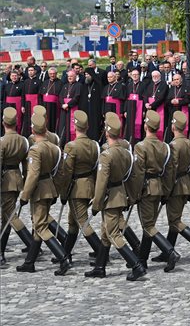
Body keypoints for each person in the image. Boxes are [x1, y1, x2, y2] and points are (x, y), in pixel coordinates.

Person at [84, 114, 146, 281]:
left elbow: (101, 182)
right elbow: (132, 176)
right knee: (106, 233)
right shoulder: (125, 152)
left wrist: (96, 203)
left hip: (110, 198)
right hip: (120, 194)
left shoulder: (107, 155)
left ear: (106, 132)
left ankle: (136, 265)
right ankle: (99, 266)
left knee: (113, 234)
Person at [151, 111, 190, 265]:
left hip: (176, 186)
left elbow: (171, 170)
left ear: (173, 126)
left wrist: (166, 190)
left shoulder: (174, 145)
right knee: (174, 219)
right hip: (186, 185)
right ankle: (167, 250)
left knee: (175, 221)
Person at [16, 113, 70, 276]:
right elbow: (61, 172)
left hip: (39, 190)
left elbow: (33, 175)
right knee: (37, 226)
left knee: (40, 226)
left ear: (33, 129)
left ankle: (63, 257)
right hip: (50, 187)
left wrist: (25, 195)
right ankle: (29, 262)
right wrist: (57, 190)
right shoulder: (54, 147)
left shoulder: (35, 150)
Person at [127, 110, 180, 272]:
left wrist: (133, 195)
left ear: (145, 125)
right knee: (148, 224)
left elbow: (138, 174)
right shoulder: (165, 146)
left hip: (146, 189)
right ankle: (142, 259)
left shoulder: (141, 147)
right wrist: (167, 190)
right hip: (159, 187)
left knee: (148, 225)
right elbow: (170, 171)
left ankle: (170, 252)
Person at [53, 110, 102, 263]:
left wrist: (63, 192)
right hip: (89, 185)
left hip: (76, 188)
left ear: (74, 127)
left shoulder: (71, 146)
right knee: (72, 222)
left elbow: (66, 172)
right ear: (87, 126)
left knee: (82, 222)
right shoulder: (94, 145)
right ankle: (65, 253)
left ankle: (102, 253)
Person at [0, 107, 35, 264]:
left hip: (5, 181)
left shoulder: (2, 142)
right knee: (6, 217)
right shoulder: (23, 141)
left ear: (3, 123)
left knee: (10, 217)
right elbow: (26, 165)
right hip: (16, 179)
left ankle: (32, 245)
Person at [57, 70, 82, 147]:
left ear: (75, 77)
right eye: (68, 76)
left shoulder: (79, 85)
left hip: (72, 108)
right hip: (64, 109)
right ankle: (62, 144)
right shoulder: (65, 85)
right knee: (63, 126)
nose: (69, 78)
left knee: (71, 127)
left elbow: (77, 97)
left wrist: (68, 105)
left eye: (71, 76)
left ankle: (71, 144)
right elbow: (60, 96)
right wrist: (62, 105)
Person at [164, 74, 190, 143]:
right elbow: (166, 100)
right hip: (173, 110)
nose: (176, 81)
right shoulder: (171, 89)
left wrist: (179, 101)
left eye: (177, 79)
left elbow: (188, 100)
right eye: (174, 80)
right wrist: (171, 101)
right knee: (172, 127)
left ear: (181, 80)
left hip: (182, 110)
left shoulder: (186, 88)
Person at [144, 71, 168, 141]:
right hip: (149, 108)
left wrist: (152, 105)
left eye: (156, 76)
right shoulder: (150, 84)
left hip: (158, 107)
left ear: (160, 76)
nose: (155, 77)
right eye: (153, 76)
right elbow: (145, 95)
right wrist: (146, 103)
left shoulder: (164, 85)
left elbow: (161, 97)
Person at [123, 69, 145, 145]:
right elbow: (126, 98)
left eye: (136, 74)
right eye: (133, 75)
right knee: (129, 125)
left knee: (138, 125)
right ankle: (130, 140)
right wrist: (125, 110)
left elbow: (145, 98)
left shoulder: (143, 85)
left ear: (139, 75)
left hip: (139, 108)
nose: (135, 76)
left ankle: (137, 141)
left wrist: (144, 110)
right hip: (130, 108)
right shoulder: (128, 85)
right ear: (131, 76)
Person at [81, 68, 103, 141]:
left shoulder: (98, 85)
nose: (86, 76)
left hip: (95, 111)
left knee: (95, 127)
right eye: (85, 74)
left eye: (88, 74)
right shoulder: (84, 85)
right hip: (86, 111)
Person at [39, 67, 62, 133]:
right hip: (45, 105)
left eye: (53, 73)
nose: (52, 75)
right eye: (50, 74)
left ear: (56, 74)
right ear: (48, 74)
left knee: (53, 121)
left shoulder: (60, 83)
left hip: (55, 107)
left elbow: (61, 95)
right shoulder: (45, 82)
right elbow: (40, 94)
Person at [20, 66, 41, 136]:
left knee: (34, 119)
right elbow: (23, 94)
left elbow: (40, 95)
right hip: (26, 103)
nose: (30, 72)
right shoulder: (25, 81)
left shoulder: (39, 81)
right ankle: (27, 135)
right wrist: (22, 105)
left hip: (35, 102)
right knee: (27, 120)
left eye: (32, 70)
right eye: (29, 70)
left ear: (35, 71)